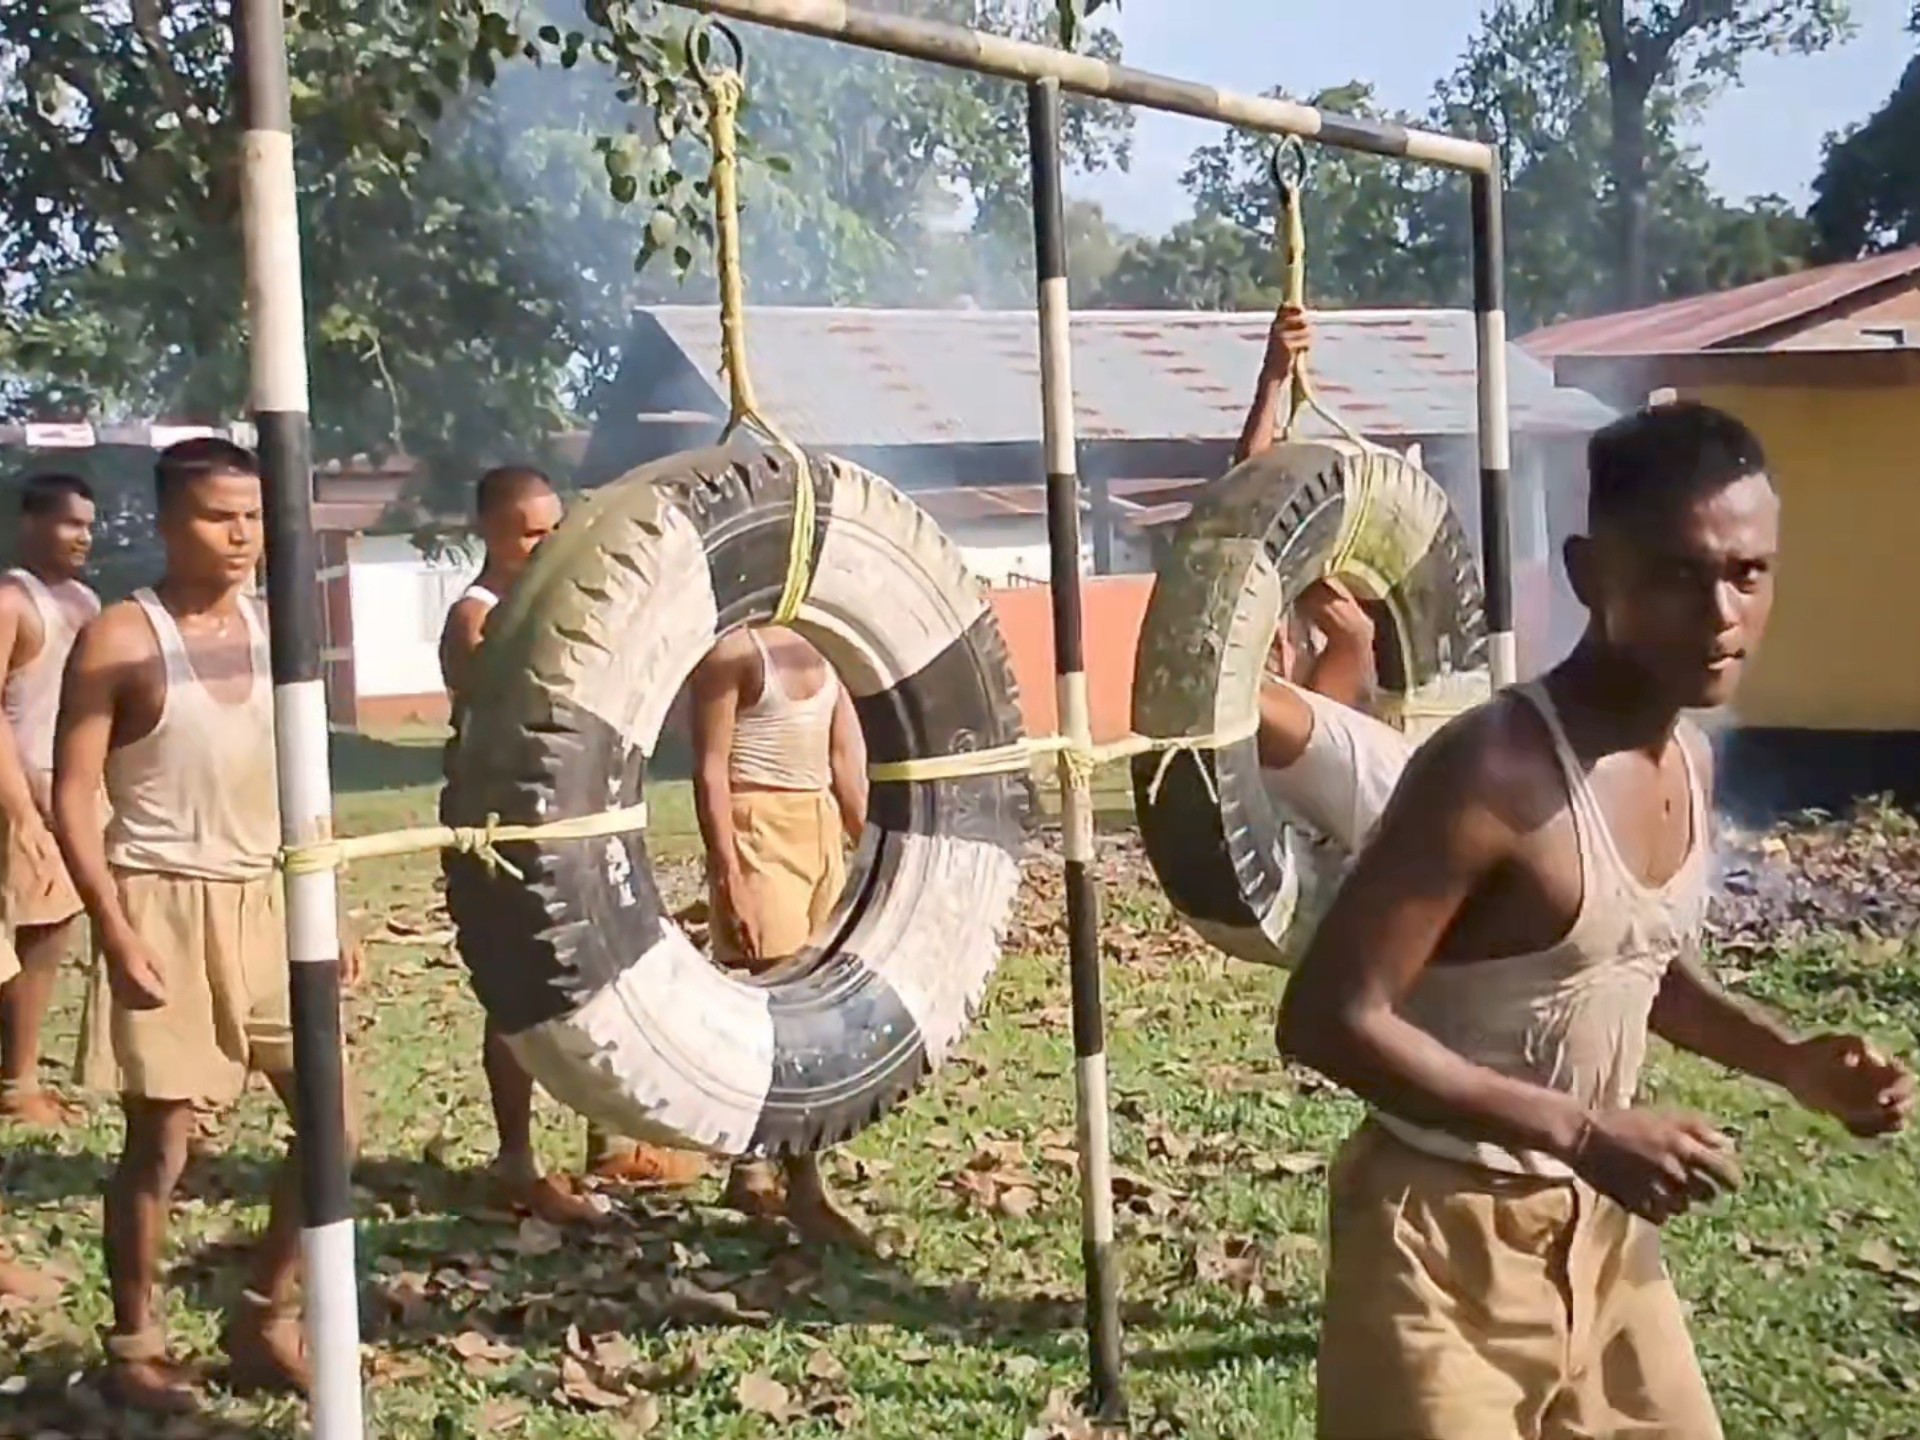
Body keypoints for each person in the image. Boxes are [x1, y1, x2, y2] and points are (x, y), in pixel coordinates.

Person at [1279, 401, 1915, 1440]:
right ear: (1587, 574)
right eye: (1678, 573)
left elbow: (1634, 963)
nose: (1720, 612)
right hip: (1440, 1247)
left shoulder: (1690, 758)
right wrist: (1580, 1130)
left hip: (1608, 1242)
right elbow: (1328, 1017)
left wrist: (1790, 1060)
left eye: (1748, 573)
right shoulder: (1494, 769)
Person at [54, 437, 350, 1409]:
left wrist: (330, 904)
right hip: (163, 901)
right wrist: (115, 928)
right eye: (218, 516)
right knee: (162, 1144)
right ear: (167, 522)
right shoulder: (122, 640)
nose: (241, 535)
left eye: (255, 516)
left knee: (328, 1122)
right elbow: (73, 795)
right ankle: (134, 1345)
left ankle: (263, 1315)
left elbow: (308, 781)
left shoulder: (281, 632)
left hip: (270, 904)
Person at [437, 465, 704, 1223]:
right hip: (503, 822)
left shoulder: (556, 609)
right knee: (515, 988)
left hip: (578, 816)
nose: (549, 543)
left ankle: (608, 1138)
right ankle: (516, 1157)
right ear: (490, 531)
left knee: (598, 967)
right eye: (530, 531)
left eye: (556, 527)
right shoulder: (478, 615)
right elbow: (504, 704)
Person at [689, 623, 871, 1248]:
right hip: (757, 827)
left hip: (816, 829)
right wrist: (728, 874)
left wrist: (871, 851)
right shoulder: (734, 654)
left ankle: (756, 1165)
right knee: (778, 1009)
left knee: (816, 1004)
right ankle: (802, 1185)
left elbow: (845, 761)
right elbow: (710, 772)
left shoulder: (830, 645)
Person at [0, 473, 101, 1124]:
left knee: (52, 931)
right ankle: (18, 1083)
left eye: (89, 525)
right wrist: (21, 808)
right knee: (27, 933)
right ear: (30, 523)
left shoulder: (88, 604)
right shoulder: (12, 600)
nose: (83, 537)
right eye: (69, 523)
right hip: (19, 789)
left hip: (70, 792)